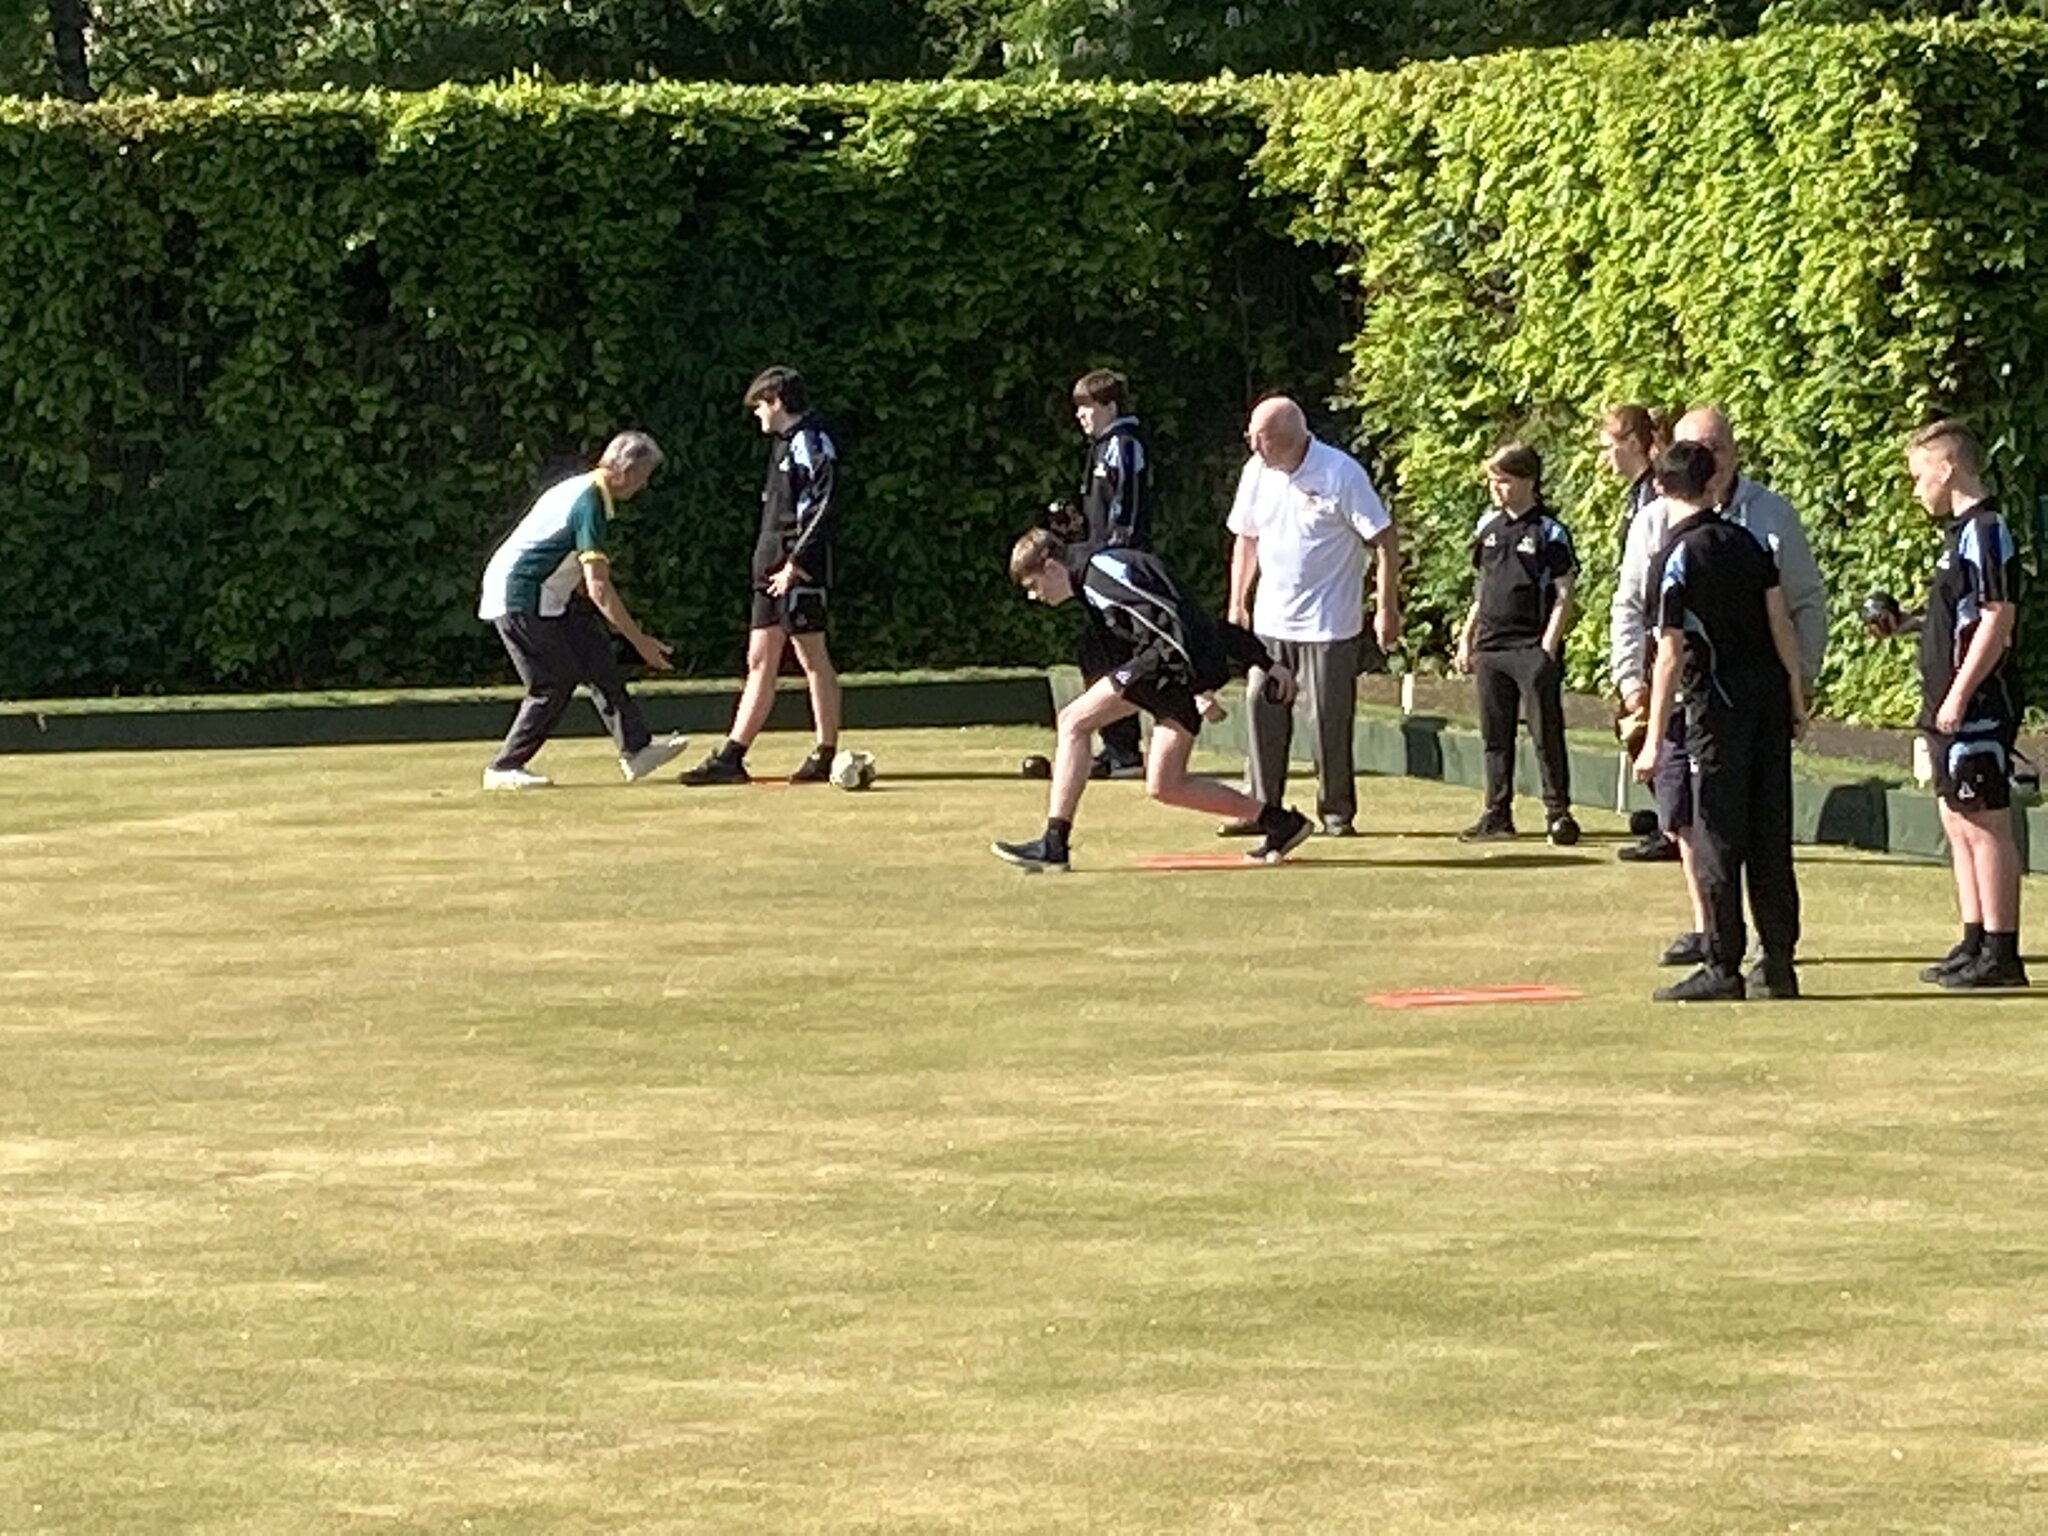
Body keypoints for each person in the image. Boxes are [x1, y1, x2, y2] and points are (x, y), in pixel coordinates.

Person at [1610, 406, 1828, 964]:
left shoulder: (1679, 555)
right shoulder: (1747, 544)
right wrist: (1795, 699)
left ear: (1664, 483)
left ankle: (1722, 959)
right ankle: (1776, 960)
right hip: (1761, 702)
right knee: (1765, 835)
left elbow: (1672, 652)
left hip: (1715, 708)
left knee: (1717, 835)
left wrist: (1653, 738)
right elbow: (1778, 621)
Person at [991, 530, 1312, 872]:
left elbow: (1172, 621)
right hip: (1173, 672)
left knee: (1073, 721)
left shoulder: (1101, 573)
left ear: (1051, 567)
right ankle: (1280, 822)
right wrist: (1262, 660)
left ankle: (1054, 843)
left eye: (1033, 585)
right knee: (1165, 785)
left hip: (1164, 668)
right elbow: (1195, 618)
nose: (1033, 596)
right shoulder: (1097, 574)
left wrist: (1199, 684)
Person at [1866, 420, 2028, 989]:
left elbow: (1996, 616)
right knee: (1956, 818)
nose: (1916, 490)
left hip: (1978, 704)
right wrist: (1906, 624)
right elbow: (1958, 614)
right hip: (1946, 704)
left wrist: (1960, 692)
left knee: (1985, 821)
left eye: (1918, 477)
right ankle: (1974, 936)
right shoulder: (1958, 536)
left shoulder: (1986, 530)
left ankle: (2003, 952)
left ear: (1946, 467)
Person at [1222, 396, 1401, 839]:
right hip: (1270, 620)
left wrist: (1385, 608)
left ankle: (1336, 812)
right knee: (1262, 709)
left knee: (1327, 718)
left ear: (1285, 439)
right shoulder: (1255, 472)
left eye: (1259, 440)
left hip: (1329, 622)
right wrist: (1237, 603)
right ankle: (1262, 808)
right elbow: (1246, 539)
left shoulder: (1341, 473)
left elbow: (1384, 540)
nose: (1253, 448)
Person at [477, 431, 686, 790]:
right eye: (644, 475)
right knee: (552, 682)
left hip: (545, 595)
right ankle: (504, 767)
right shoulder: (589, 502)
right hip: (520, 596)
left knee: (596, 656)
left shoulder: (585, 490)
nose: (644, 484)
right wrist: (640, 641)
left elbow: (565, 563)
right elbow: (598, 586)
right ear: (627, 470)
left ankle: (636, 750)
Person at [680, 366, 845, 786]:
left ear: (776, 402)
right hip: (768, 567)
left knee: (811, 657)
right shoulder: (782, 446)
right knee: (758, 659)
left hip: (796, 569)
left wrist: (797, 562)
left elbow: (822, 505)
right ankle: (732, 756)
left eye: (759, 406)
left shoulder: (811, 440)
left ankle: (825, 752)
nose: (757, 415)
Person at [1452, 442, 1579, 844]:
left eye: (1504, 481)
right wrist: (1466, 636)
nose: (1497, 489)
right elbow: (1481, 587)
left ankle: (1558, 813)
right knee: (1494, 734)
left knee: (1545, 733)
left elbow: (1564, 593)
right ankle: (1497, 812)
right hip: (1491, 646)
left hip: (1529, 647)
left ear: (1527, 480)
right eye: (1493, 481)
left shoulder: (1550, 531)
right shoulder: (1487, 528)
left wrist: (1548, 647)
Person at [1063, 368, 1152, 780]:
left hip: (1116, 567)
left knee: (1113, 653)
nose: (1081, 415)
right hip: (1098, 562)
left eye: (1086, 406)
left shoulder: (1124, 444)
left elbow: (1127, 506)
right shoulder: (1102, 446)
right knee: (1097, 651)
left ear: (1109, 405)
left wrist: (1116, 553)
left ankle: (1124, 750)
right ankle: (1117, 745)